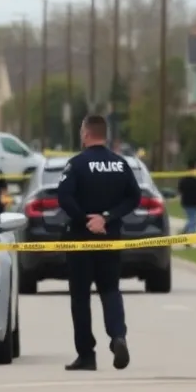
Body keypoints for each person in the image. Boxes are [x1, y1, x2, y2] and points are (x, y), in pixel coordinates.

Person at [56, 114, 142, 372]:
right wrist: (107, 217)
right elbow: (134, 197)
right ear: (105, 134)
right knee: (110, 290)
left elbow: (64, 197)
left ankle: (86, 355)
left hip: (80, 241)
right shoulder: (120, 164)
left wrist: (85, 220)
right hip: (110, 239)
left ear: (85, 134)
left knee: (81, 298)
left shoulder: (76, 165)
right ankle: (118, 337)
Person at [177, 161, 196, 242]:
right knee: (194, 220)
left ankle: (184, 232)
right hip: (192, 202)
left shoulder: (185, 178)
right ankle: (189, 238)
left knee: (191, 219)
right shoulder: (193, 179)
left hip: (187, 202)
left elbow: (180, 189)